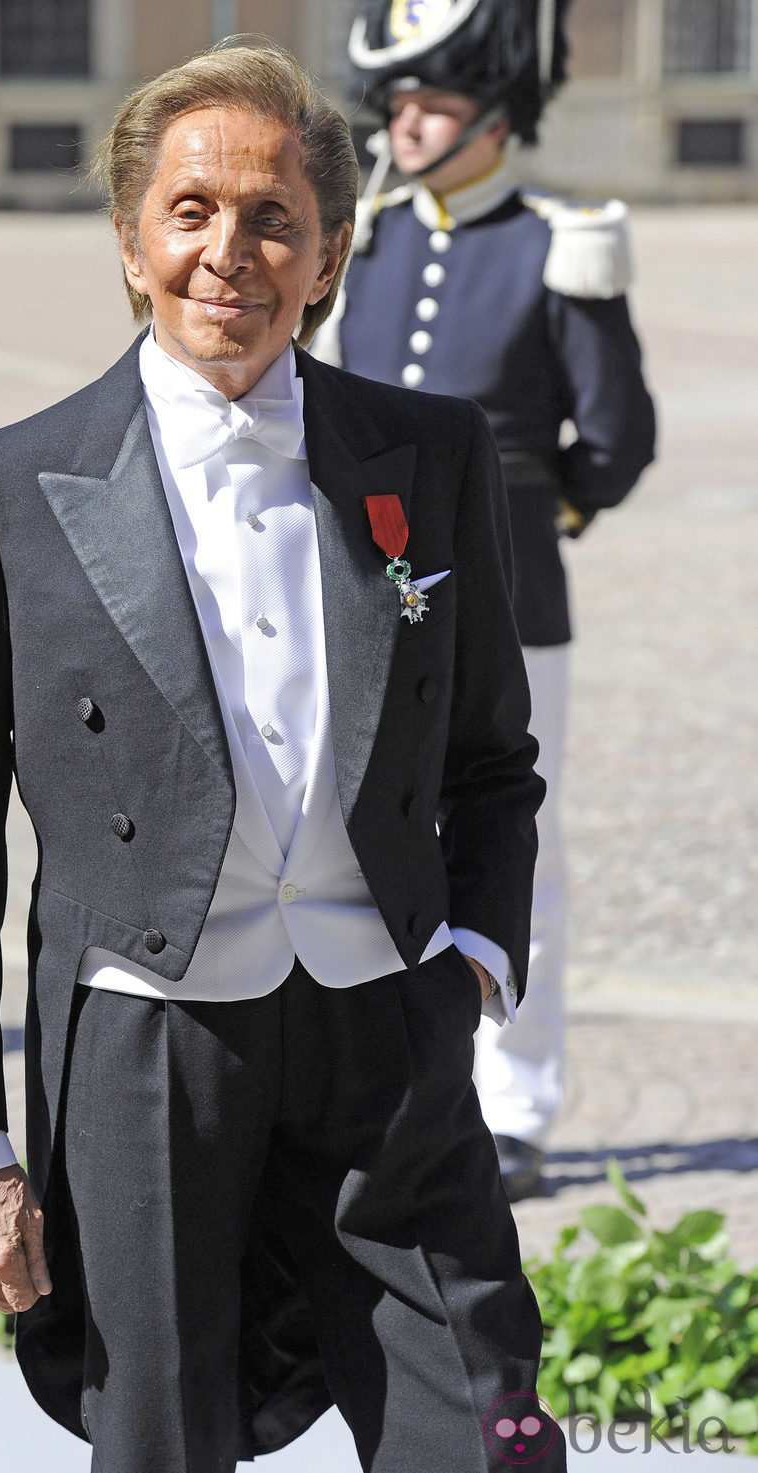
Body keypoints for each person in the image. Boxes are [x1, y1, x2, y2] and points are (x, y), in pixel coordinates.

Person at [0, 39, 566, 1473]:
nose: (230, 252)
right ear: (132, 244)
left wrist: (480, 962)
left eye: (274, 217)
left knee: (490, 1426)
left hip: (389, 1019)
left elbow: (493, 758)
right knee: (166, 1442)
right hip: (151, 1034)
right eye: (191, 212)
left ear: (326, 255)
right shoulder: (5, 487)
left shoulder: (427, 455)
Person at [314, 0, 656, 1201]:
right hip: (368, 581)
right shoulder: (376, 237)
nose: (402, 124)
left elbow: (615, 436)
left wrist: (531, 520)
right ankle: (380, 1067)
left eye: (429, 105)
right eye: (395, 104)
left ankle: (516, 1103)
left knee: (521, 839)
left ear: (490, 113)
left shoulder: (559, 241)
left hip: (510, 590)